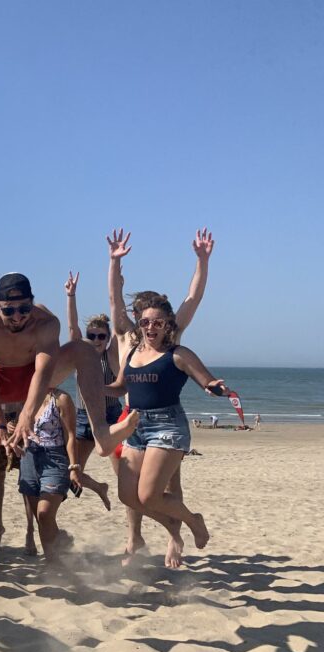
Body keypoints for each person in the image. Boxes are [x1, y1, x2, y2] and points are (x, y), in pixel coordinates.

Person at [0, 272, 138, 469]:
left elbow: (43, 372)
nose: (17, 317)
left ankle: (101, 433)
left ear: (32, 303)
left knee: (84, 348)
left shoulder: (46, 322)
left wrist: (27, 416)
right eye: (8, 311)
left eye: (24, 309)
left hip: (34, 381)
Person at [108, 228, 214, 562]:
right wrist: (113, 262)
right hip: (132, 419)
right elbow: (114, 300)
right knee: (131, 494)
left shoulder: (171, 338)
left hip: (166, 421)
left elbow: (192, 299)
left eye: (156, 319)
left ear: (165, 321)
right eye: (143, 318)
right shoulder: (128, 338)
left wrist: (202, 261)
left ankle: (178, 533)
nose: (149, 325)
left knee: (162, 488)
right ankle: (153, 532)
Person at [64, 271, 117, 510]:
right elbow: (72, 327)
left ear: (108, 338)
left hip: (111, 416)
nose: (96, 340)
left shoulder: (112, 355)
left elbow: (120, 327)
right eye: (92, 335)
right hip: (84, 416)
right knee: (72, 472)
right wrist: (71, 296)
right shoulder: (82, 356)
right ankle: (99, 487)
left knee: (123, 471)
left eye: (101, 336)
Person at [18, 388, 80, 563]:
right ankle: (53, 561)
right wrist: (10, 427)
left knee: (44, 513)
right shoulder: (27, 396)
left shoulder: (61, 398)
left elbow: (70, 436)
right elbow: (19, 425)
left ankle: (55, 558)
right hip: (28, 457)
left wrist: (74, 467)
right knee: (41, 520)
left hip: (54, 458)